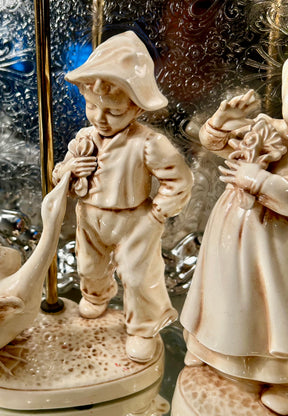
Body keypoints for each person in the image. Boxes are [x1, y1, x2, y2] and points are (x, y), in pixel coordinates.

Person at [53, 31, 193, 363]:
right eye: (92, 106)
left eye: (113, 111)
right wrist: (69, 170)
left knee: (139, 275)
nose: (100, 118)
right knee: (89, 264)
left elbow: (178, 178)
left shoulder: (147, 142)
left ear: (136, 107)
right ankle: (96, 296)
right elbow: (60, 174)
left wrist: (158, 212)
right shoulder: (84, 138)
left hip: (134, 220)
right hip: (90, 215)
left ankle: (144, 328)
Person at [181, 63, 288, 414]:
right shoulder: (269, 129)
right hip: (231, 231)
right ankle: (210, 350)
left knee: (267, 310)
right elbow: (215, 145)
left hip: (275, 247)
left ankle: (275, 376)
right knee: (223, 292)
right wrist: (220, 122)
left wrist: (258, 181)